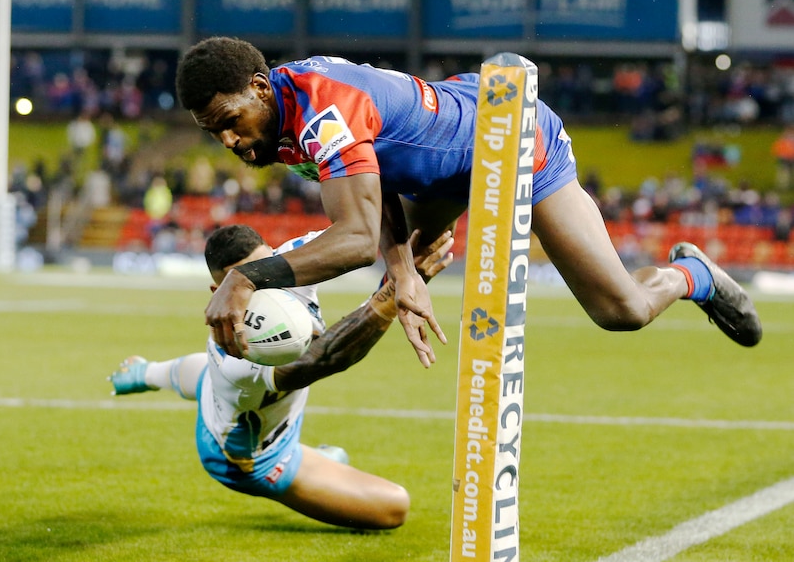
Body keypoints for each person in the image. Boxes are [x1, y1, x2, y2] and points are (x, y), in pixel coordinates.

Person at [174, 37, 763, 363]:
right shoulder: (278, 119)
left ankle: (693, 275)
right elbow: (370, 187)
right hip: (442, 173)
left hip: (510, 144)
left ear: (258, 86)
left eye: (229, 121)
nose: (227, 141)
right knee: (405, 266)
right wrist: (402, 271)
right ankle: (406, 278)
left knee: (623, 313)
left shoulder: (323, 109)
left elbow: (354, 239)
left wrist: (247, 279)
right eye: (212, 133)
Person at [108, 224, 454, 529]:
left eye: (263, 269)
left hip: (230, 396)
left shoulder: (291, 259)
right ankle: (313, 462)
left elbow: (363, 231)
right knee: (394, 507)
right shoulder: (240, 356)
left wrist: (405, 261)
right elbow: (323, 359)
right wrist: (393, 293)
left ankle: (145, 373)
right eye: (244, 283)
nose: (262, 285)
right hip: (249, 459)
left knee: (208, 378)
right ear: (220, 295)